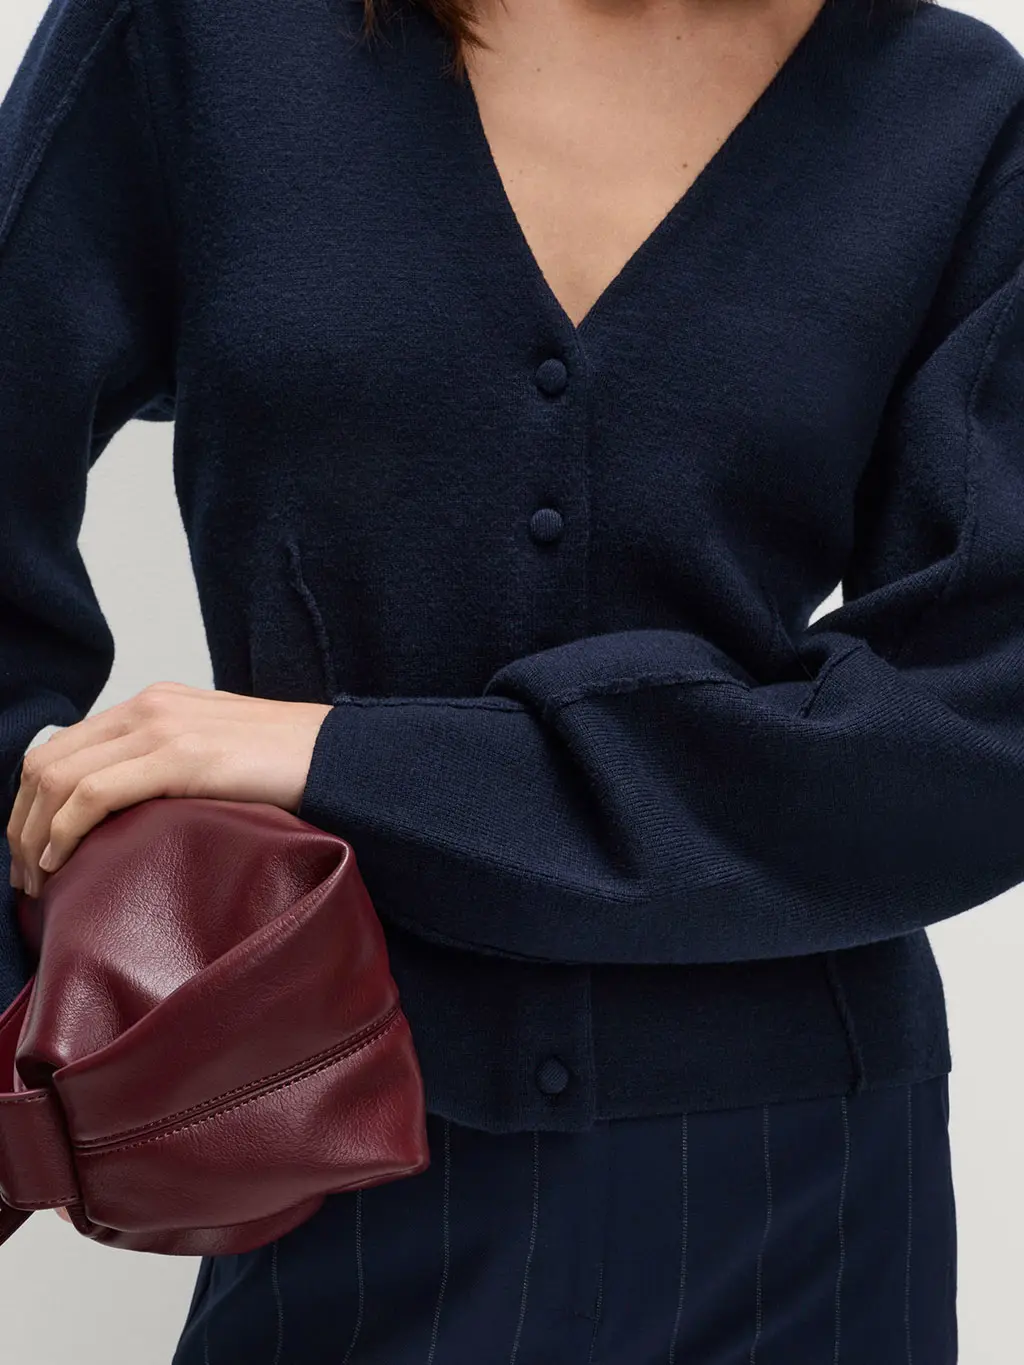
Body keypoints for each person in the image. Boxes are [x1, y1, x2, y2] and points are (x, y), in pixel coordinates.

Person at [4, 0, 1024, 1357]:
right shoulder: (206, 35)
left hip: (794, 1194)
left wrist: (344, 762)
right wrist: (44, 1017)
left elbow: (976, 741)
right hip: (308, 1141)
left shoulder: (951, 109)